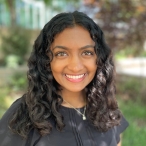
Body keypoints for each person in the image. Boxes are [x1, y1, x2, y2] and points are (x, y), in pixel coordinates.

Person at [0, 11, 128, 146]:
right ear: (46, 61)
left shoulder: (106, 107)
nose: (75, 67)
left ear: (99, 58)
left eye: (87, 52)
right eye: (61, 53)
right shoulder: (23, 114)